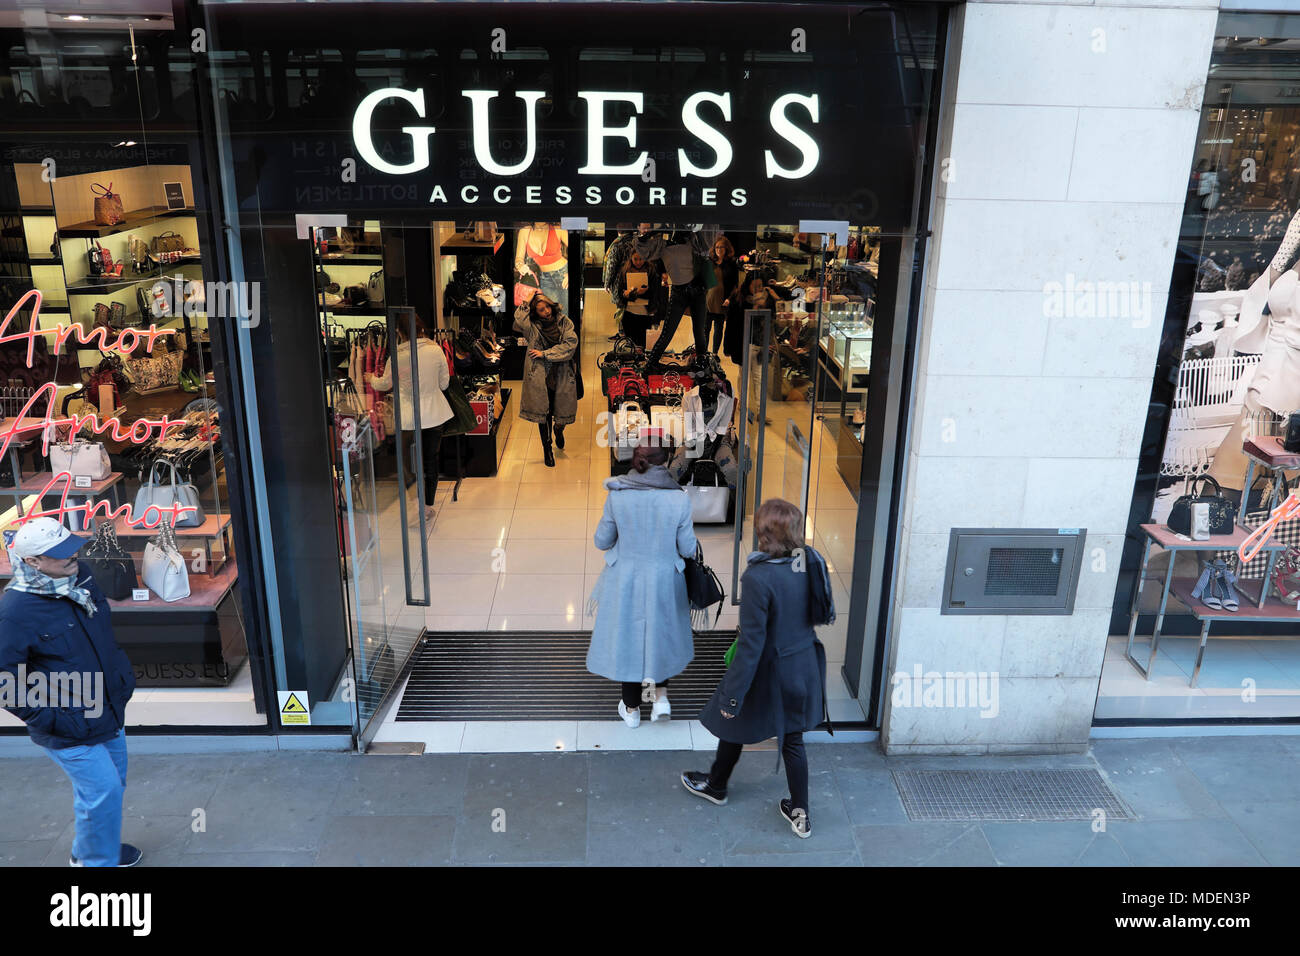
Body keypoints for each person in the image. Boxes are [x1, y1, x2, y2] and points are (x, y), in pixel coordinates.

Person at [681, 498, 834, 839]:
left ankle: (717, 785)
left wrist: (731, 696)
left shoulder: (758, 577)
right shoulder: (808, 561)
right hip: (803, 664)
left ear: (763, 534)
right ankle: (800, 812)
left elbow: (751, 643)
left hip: (768, 670)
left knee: (732, 723)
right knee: (793, 740)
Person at [0, 517, 140, 866]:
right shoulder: (15, 612)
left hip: (107, 706)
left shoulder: (82, 575)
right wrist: (51, 718)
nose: (73, 555)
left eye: (71, 546)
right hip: (67, 724)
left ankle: (94, 846)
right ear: (33, 561)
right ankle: (96, 863)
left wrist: (120, 676)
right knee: (102, 791)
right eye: (60, 553)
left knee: (110, 787)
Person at [586, 441, 697, 727]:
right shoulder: (679, 498)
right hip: (664, 580)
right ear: (665, 463)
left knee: (629, 639)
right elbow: (687, 549)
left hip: (627, 580)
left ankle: (632, 710)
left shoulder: (618, 495)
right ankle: (660, 698)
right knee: (660, 635)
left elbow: (602, 541)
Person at [368, 315, 452, 524]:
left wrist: (370, 379)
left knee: (407, 463)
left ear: (399, 332)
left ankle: (418, 506)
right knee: (430, 459)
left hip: (408, 417)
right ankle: (428, 505)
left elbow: (384, 384)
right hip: (434, 413)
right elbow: (444, 384)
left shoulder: (396, 356)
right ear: (421, 328)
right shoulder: (435, 350)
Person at [515, 291, 579, 467]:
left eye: (547, 307)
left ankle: (559, 430)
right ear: (536, 313)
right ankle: (547, 449)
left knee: (561, 411)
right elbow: (519, 318)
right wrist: (528, 299)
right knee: (544, 412)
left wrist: (545, 354)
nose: (546, 312)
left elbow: (570, 346)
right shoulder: (532, 327)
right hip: (540, 374)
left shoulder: (565, 322)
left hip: (562, 372)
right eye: (541, 310)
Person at [614, 247, 665, 349]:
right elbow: (619, 293)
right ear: (631, 258)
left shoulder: (651, 271)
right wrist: (626, 294)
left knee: (643, 344)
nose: (638, 262)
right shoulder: (624, 271)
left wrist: (638, 293)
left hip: (646, 313)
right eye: (635, 259)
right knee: (630, 344)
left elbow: (655, 293)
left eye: (641, 259)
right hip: (629, 313)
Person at [705, 236, 740, 355]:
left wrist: (729, 299)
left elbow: (735, 284)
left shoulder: (731, 264)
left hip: (722, 301)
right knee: (705, 329)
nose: (719, 249)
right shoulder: (709, 262)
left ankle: (714, 354)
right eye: (717, 247)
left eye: (721, 247)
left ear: (727, 249)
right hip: (708, 300)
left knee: (718, 329)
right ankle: (703, 353)